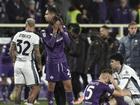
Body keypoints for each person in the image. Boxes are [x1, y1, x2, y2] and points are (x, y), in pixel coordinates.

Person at [40, 6, 74, 105]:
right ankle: (50, 103)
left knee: (68, 86)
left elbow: (68, 43)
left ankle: (71, 103)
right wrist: (55, 32)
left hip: (63, 61)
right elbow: (50, 45)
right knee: (51, 87)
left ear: (53, 15)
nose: (45, 16)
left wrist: (62, 31)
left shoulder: (63, 28)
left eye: (47, 14)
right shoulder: (44, 31)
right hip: (52, 62)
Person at [9, 18, 42, 105]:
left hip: (18, 63)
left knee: (18, 88)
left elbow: (11, 50)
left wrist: (14, 61)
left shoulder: (18, 34)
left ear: (26, 24)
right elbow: (37, 53)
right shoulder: (35, 36)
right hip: (28, 63)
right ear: (34, 26)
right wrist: (39, 65)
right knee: (36, 87)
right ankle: (29, 103)